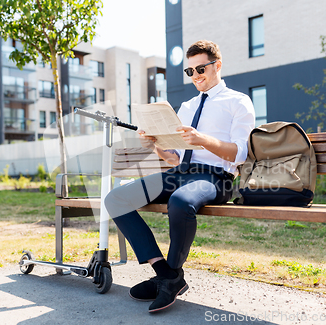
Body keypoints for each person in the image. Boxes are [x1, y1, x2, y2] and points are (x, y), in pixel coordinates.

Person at [105, 40, 255, 313]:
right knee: (116, 199)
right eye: (190, 72)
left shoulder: (238, 102)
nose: (196, 76)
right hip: (179, 173)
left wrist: (203, 139)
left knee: (181, 201)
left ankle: (170, 275)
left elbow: (239, 154)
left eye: (201, 69)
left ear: (216, 65)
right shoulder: (186, 107)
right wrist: (155, 146)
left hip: (215, 178)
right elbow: (175, 158)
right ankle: (166, 275)